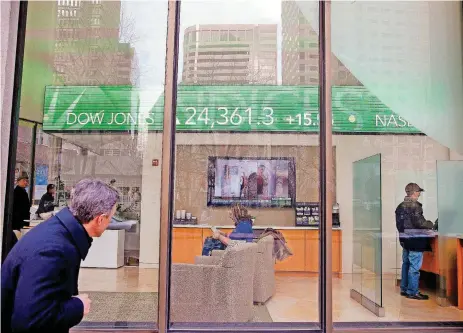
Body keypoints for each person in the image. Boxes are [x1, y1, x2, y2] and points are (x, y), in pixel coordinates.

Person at [1, 179, 120, 333]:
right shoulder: (52, 250)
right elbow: (31, 320)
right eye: (110, 217)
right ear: (100, 219)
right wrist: (78, 306)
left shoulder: (58, 234)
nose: (110, 221)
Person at [395, 182, 435, 300]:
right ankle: (412, 292)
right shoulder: (415, 206)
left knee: (406, 264)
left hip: (405, 239)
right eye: (418, 192)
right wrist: (431, 224)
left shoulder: (400, 206)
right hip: (415, 240)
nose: (419, 195)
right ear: (415, 193)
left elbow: (399, 225)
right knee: (414, 267)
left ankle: (404, 289)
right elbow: (420, 223)